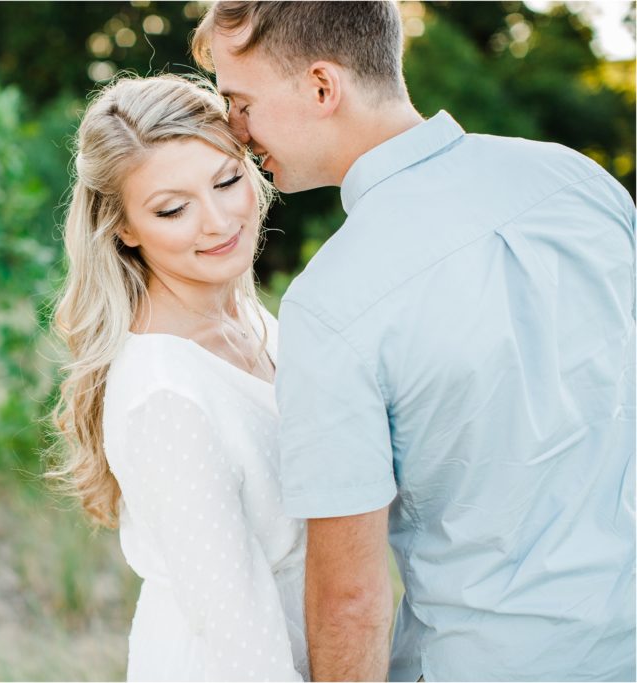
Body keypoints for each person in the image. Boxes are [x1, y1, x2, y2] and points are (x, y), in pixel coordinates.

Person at [193, 2, 637, 681]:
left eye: (241, 101)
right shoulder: (580, 183)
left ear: (321, 87)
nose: (234, 130)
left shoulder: (331, 302)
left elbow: (351, 597)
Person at [49, 73, 309, 681]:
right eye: (173, 208)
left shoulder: (251, 318)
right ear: (124, 228)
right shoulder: (165, 396)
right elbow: (240, 647)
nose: (218, 222)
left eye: (227, 180)